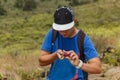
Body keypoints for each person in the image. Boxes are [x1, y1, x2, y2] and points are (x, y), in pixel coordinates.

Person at [39, 6, 101, 80]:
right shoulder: (52, 33)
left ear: (74, 21)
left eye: (66, 29)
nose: (62, 32)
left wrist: (79, 64)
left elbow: (97, 68)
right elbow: (41, 61)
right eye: (60, 29)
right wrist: (55, 55)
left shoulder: (83, 39)